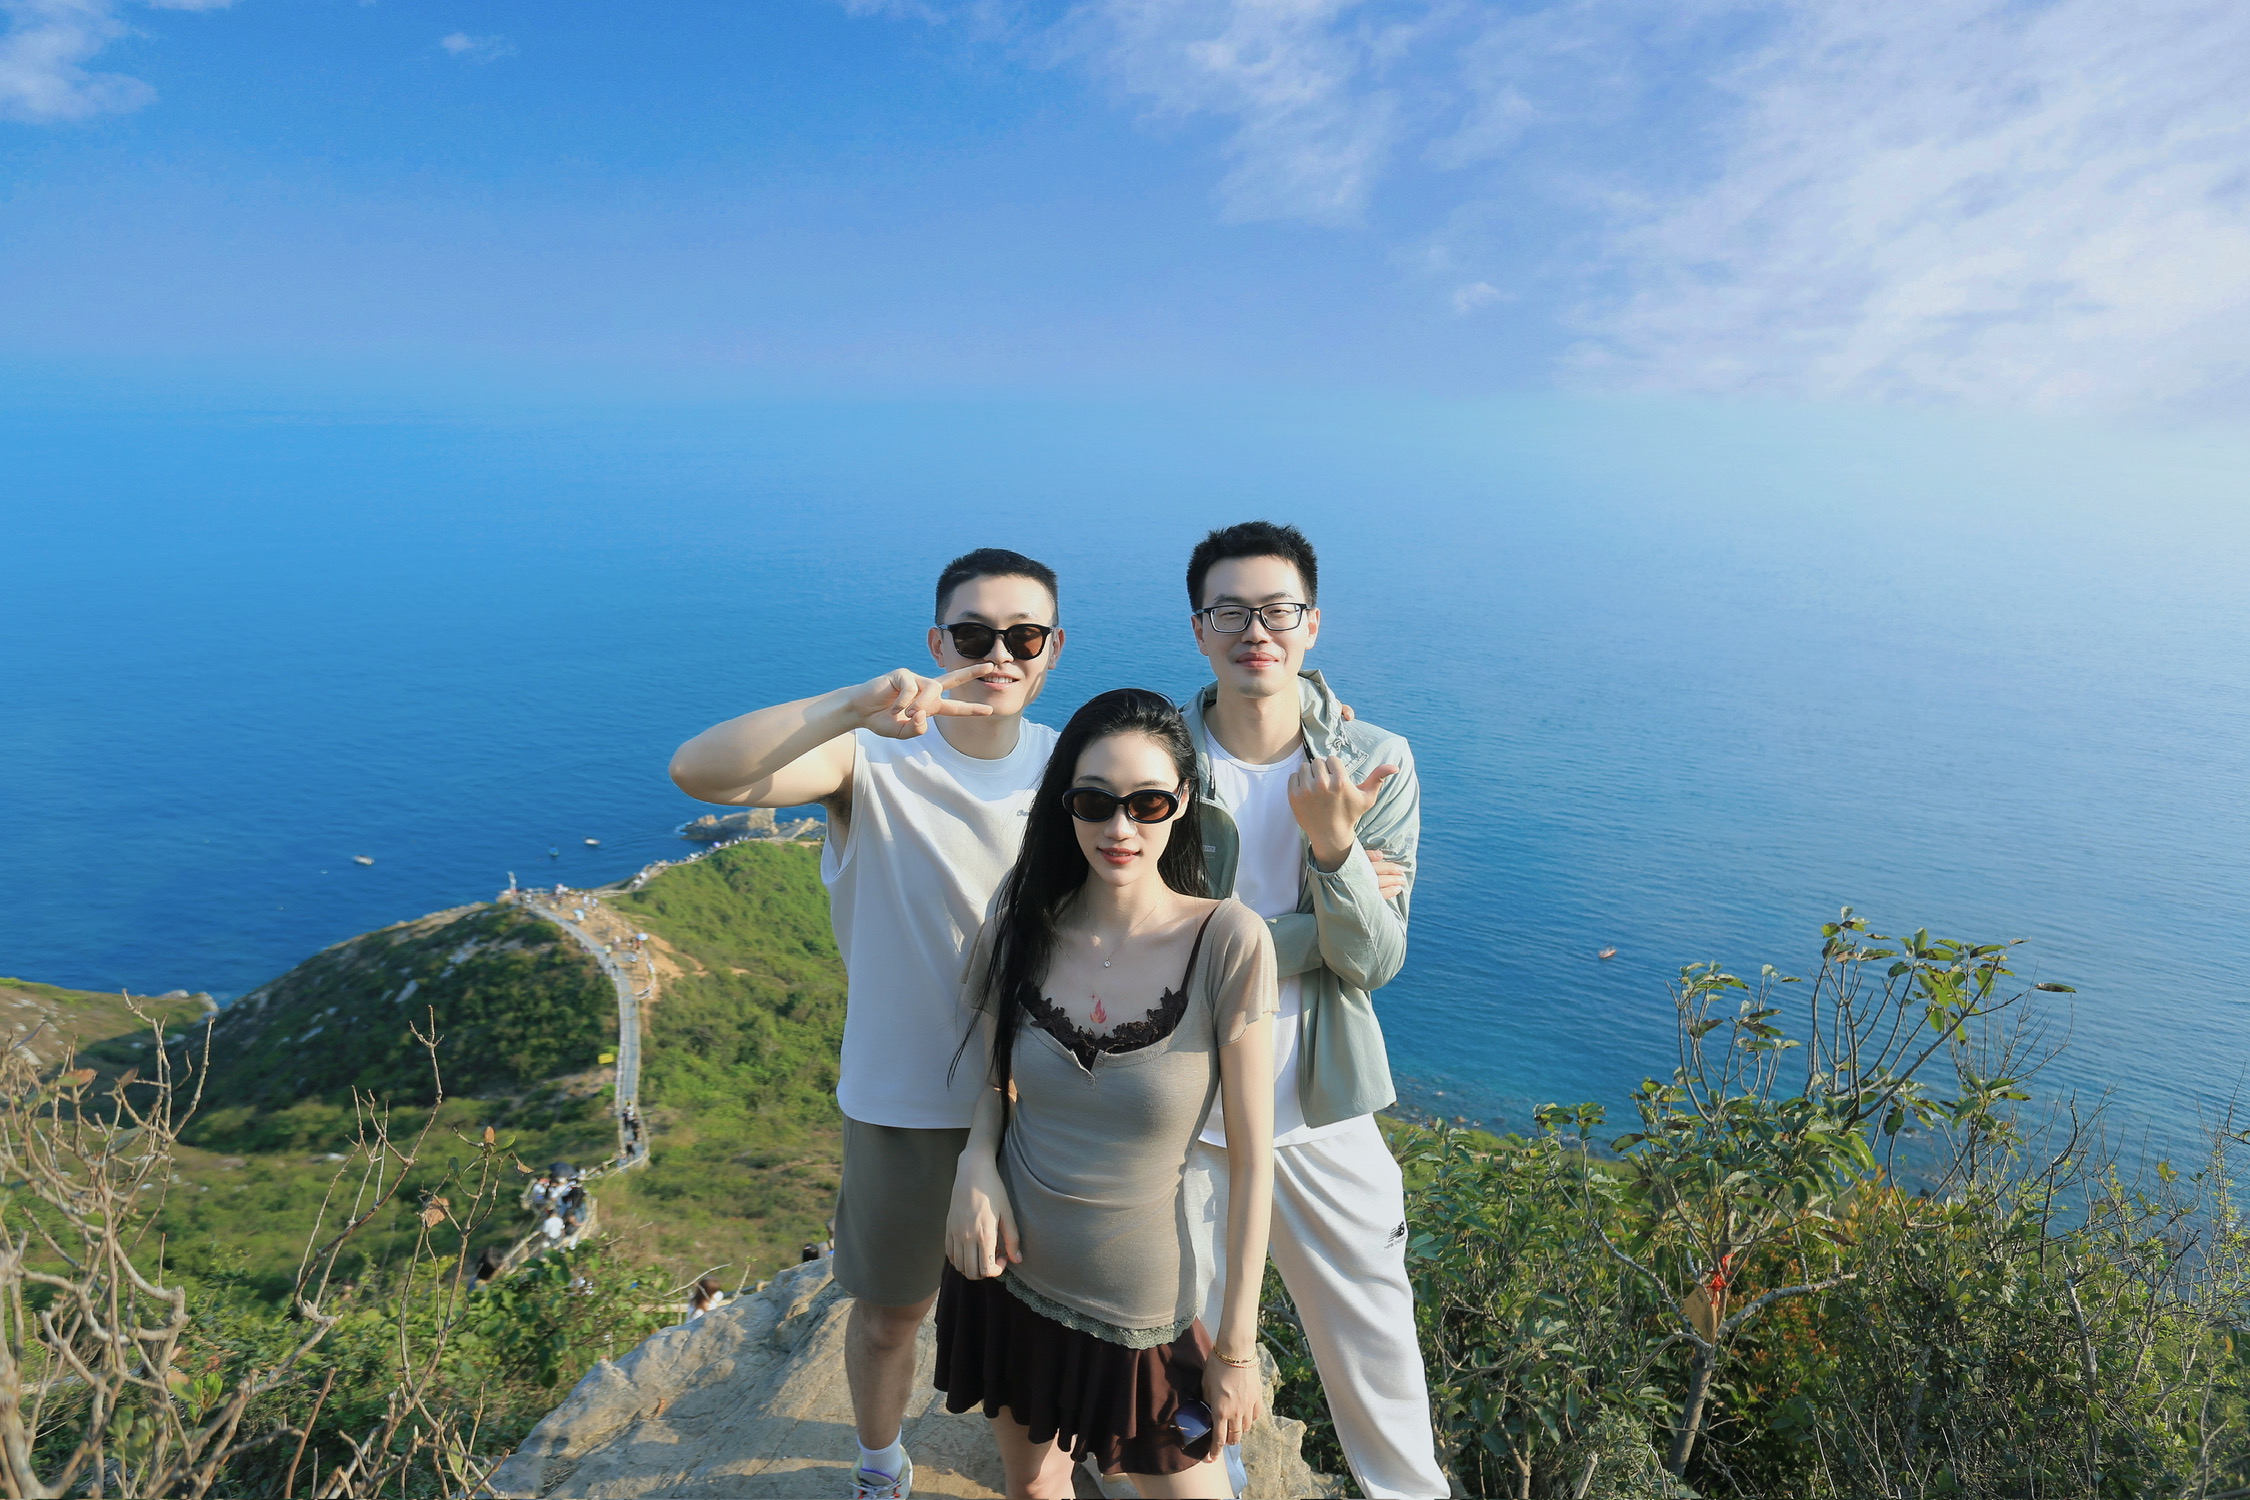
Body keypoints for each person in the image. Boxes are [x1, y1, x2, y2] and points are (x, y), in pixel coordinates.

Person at [669, 548, 1068, 1500]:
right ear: (937, 644)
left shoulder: (1072, 768)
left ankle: (1041, 1474)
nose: (999, 654)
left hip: (1045, 1100)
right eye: (973, 634)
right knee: (893, 1314)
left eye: (1024, 637)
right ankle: (880, 1466)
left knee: (1034, 1315)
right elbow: (699, 771)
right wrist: (856, 704)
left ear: (1053, 649)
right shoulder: (874, 758)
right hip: (903, 1097)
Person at [942, 689, 1277, 1499]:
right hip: (1009, 1278)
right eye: (1094, 802)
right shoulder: (1024, 919)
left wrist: (1235, 1349)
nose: (1119, 828)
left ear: (1182, 803)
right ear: (1065, 805)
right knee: (1032, 1488)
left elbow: (1254, 1160)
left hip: (1142, 1314)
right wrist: (974, 1166)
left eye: (1146, 803)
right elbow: (992, 1076)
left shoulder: (1228, 941)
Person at [1177, 522, 1448, 1500]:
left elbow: (1372, 960)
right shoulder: (1155, 760)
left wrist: (1333, 848)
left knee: (1378, 1348)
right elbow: (1140, 950)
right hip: (1182, 1109)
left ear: (1312, 624)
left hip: (1322, 1102)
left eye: (1278, 610)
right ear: (1200, 629)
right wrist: (1324, 913)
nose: (1257, 631)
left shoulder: (1375, 760)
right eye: (1231, 611)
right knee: (1188, 1362)